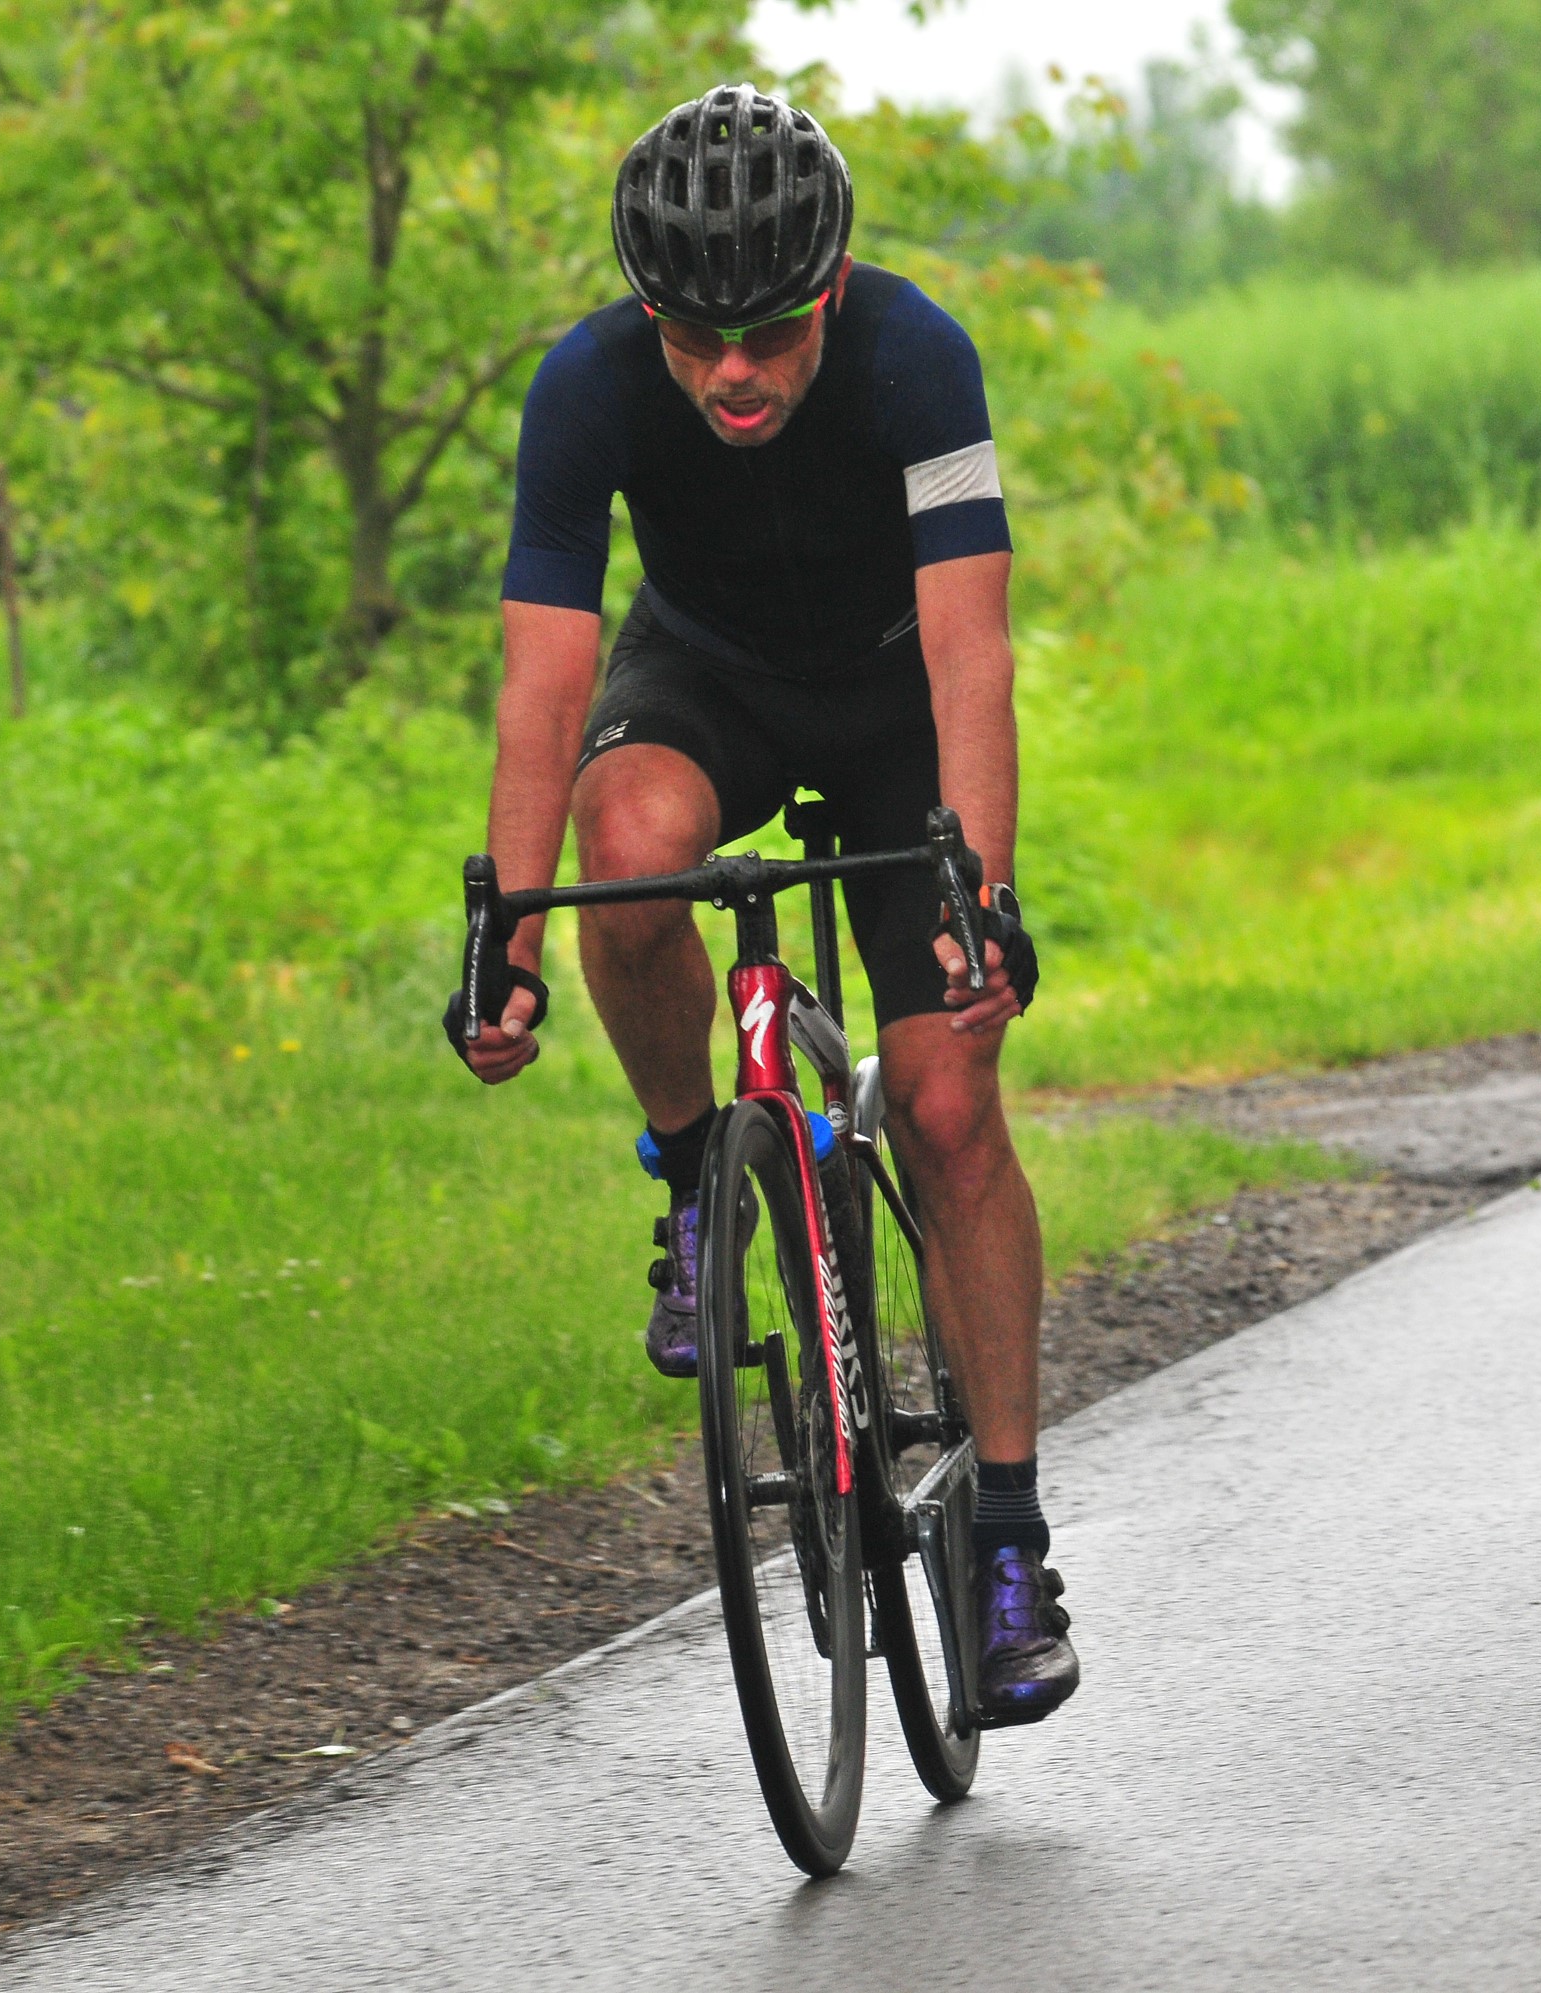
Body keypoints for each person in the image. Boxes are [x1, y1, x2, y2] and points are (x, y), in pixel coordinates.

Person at [459, 88, 1077, 1725]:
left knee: (948, 1102)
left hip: (893, 704)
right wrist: (508, 939)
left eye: (772, 333)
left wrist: (979, 894)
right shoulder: (585, 385)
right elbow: (544, 679)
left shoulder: (917, 356)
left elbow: (971, 655)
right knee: (626, 846)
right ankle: (696, 1187)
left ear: (833, 286)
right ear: (646, 313)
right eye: (695, 337)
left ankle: (1009, 1543)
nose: (733, 371)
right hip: (708, 679)